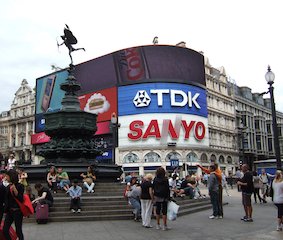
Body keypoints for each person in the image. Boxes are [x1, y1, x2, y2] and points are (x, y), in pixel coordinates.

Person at [3, 169, 25, 240]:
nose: (6, 177)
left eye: (7, 176)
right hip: (9, 211)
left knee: (18, 231)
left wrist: (15, 190)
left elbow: (21, 199)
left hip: (17, 212)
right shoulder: (7, 186)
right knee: (5, 230)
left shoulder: (20, 186)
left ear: (11, 176)